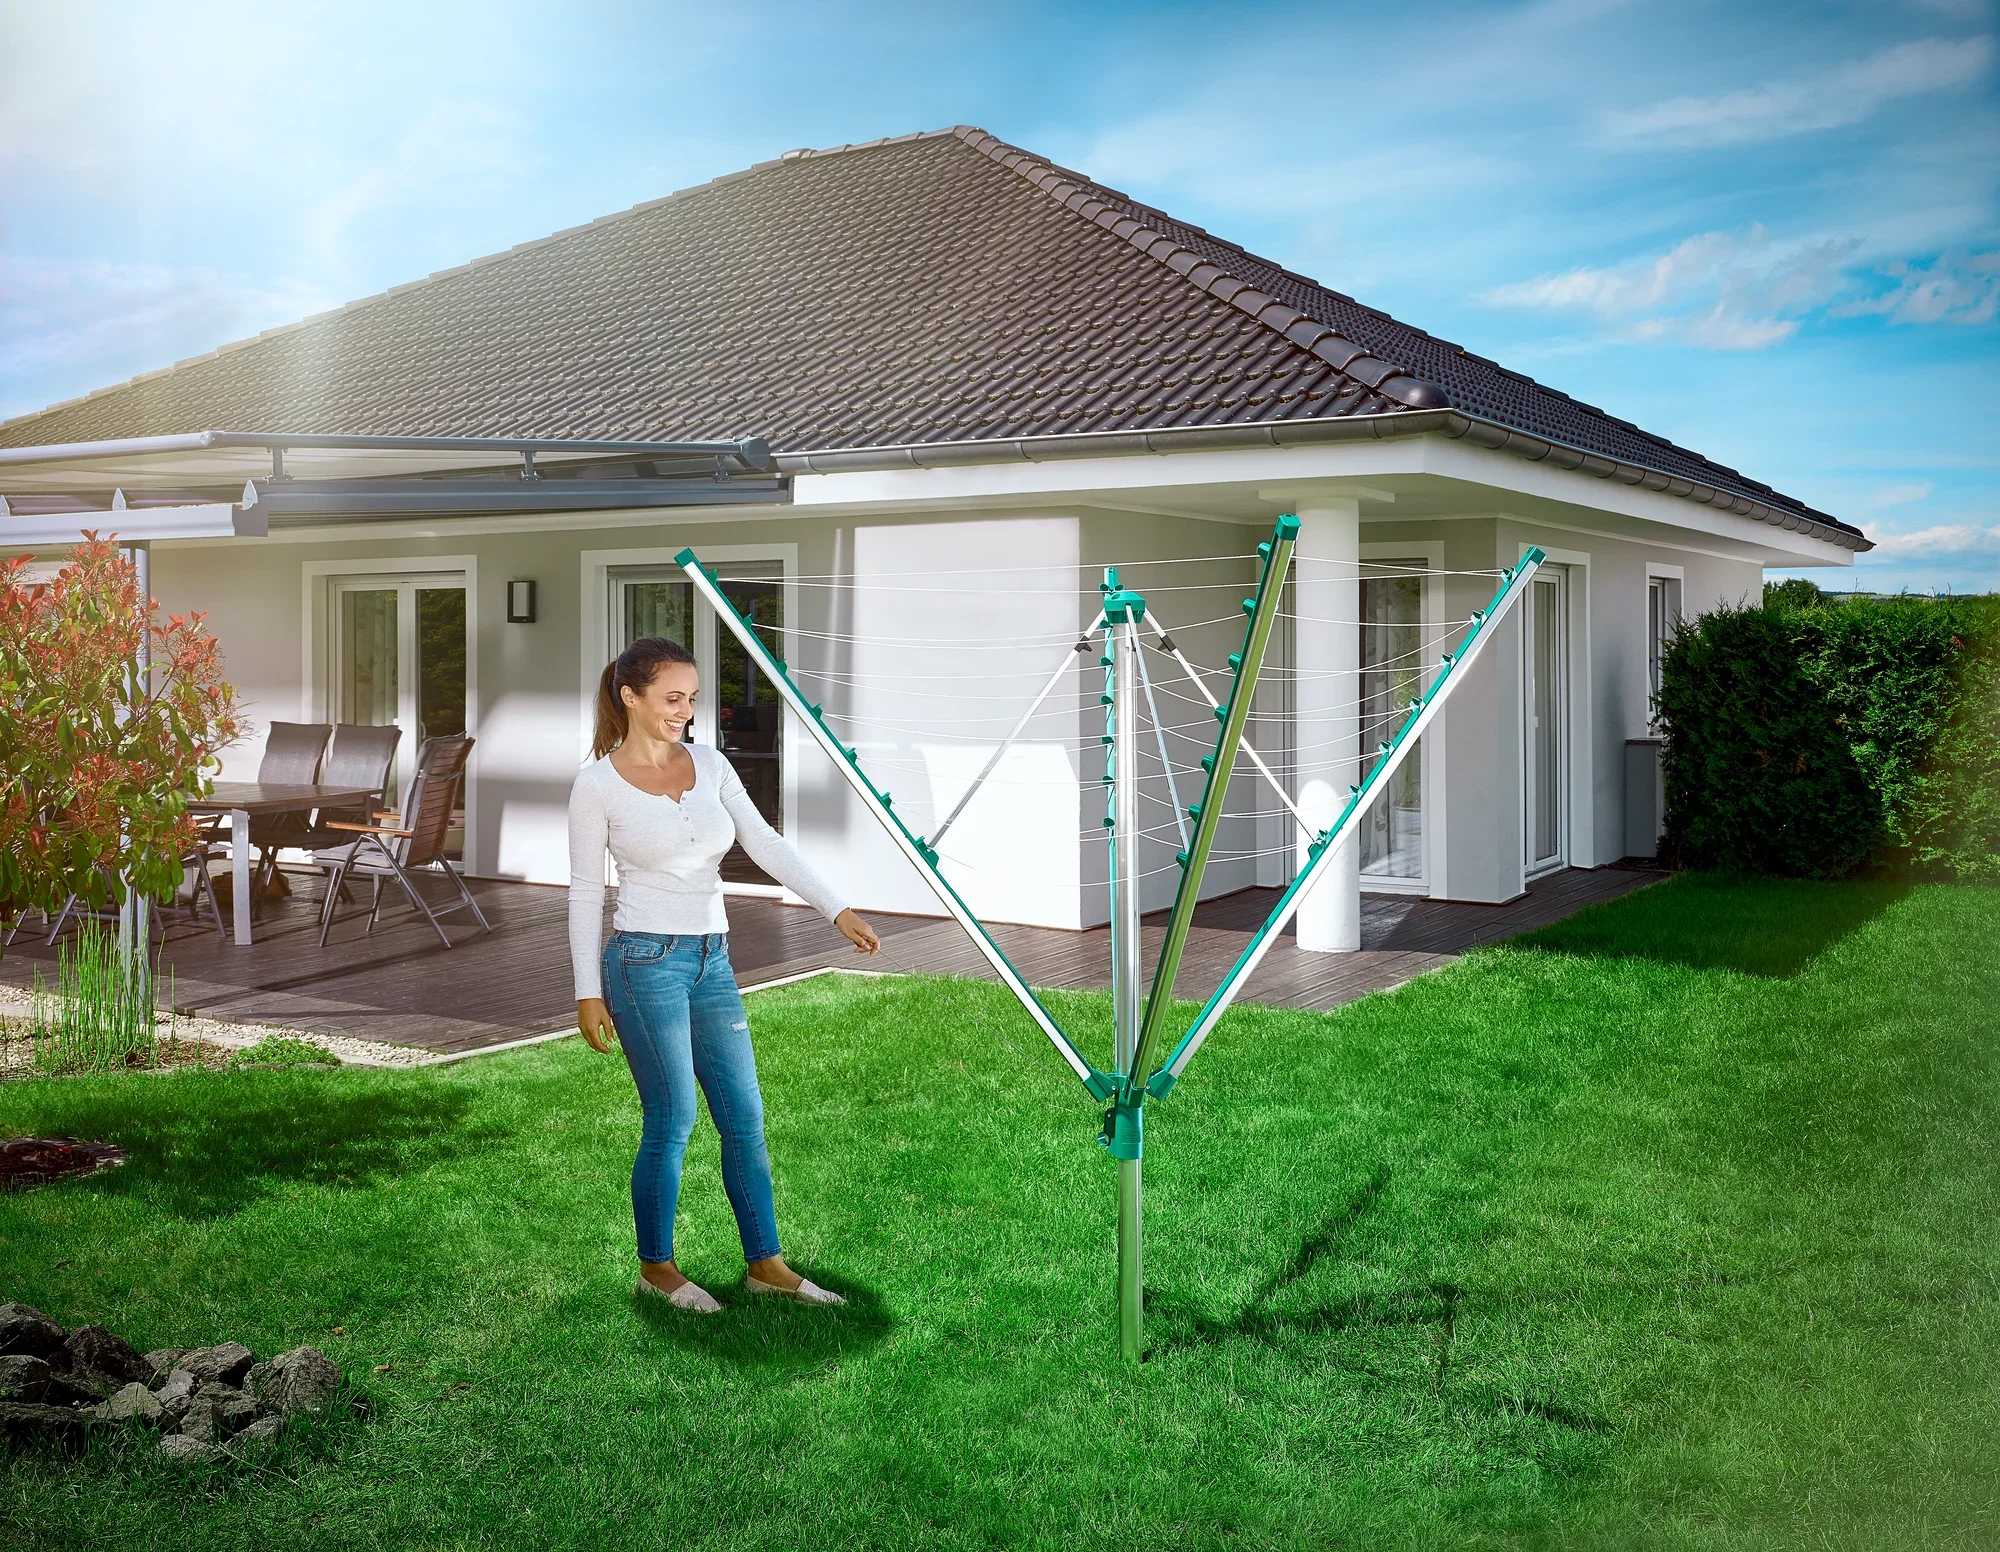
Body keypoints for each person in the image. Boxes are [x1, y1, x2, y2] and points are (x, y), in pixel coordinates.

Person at [571, 636, 879, 1313]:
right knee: (674, 1115)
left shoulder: (708, 765)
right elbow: (584, 889)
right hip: (642, 961)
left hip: (712, 958)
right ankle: (657, 1269)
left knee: (744, 1115)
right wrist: (586, 992)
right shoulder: (596, 784)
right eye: (671, 698)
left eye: (691, 698)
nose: (685, 711)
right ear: (631, 696)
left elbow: (763, 840)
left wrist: (836, 909)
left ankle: (766, 1265)